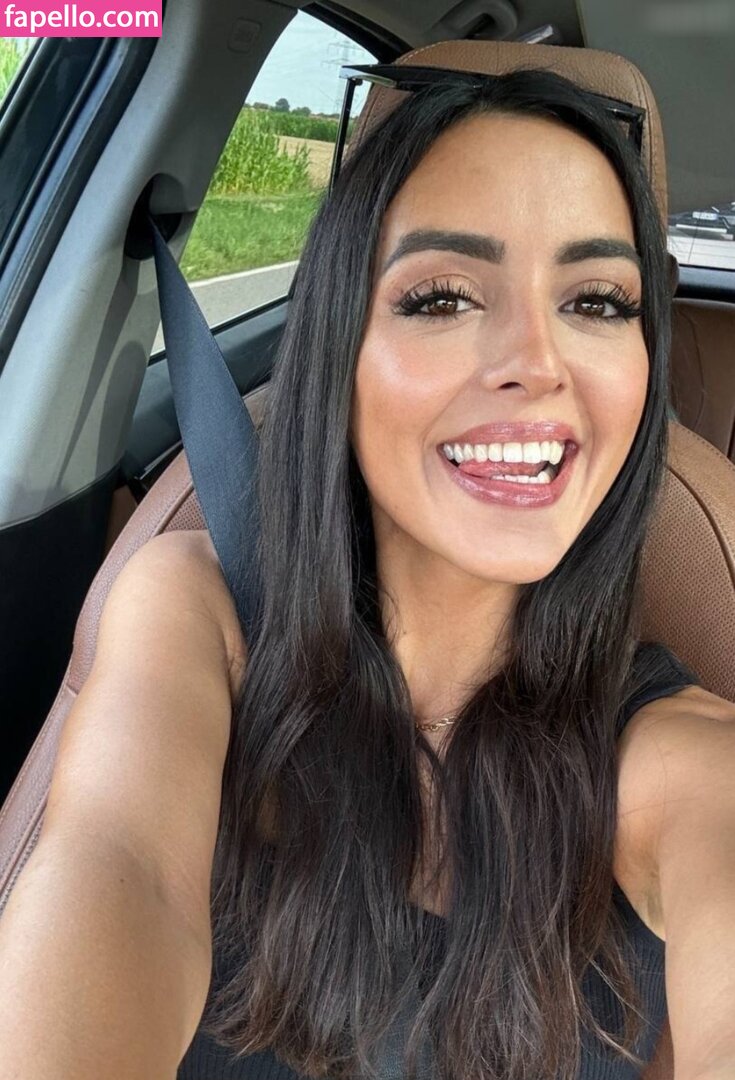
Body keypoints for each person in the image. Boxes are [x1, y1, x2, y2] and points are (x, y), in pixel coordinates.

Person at [0, 66, 731, 1080]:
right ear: (337, 348)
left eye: (596, 302)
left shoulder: (679, 761)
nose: (537, 362)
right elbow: (123, 869)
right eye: (441, 296)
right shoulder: (196, 612)